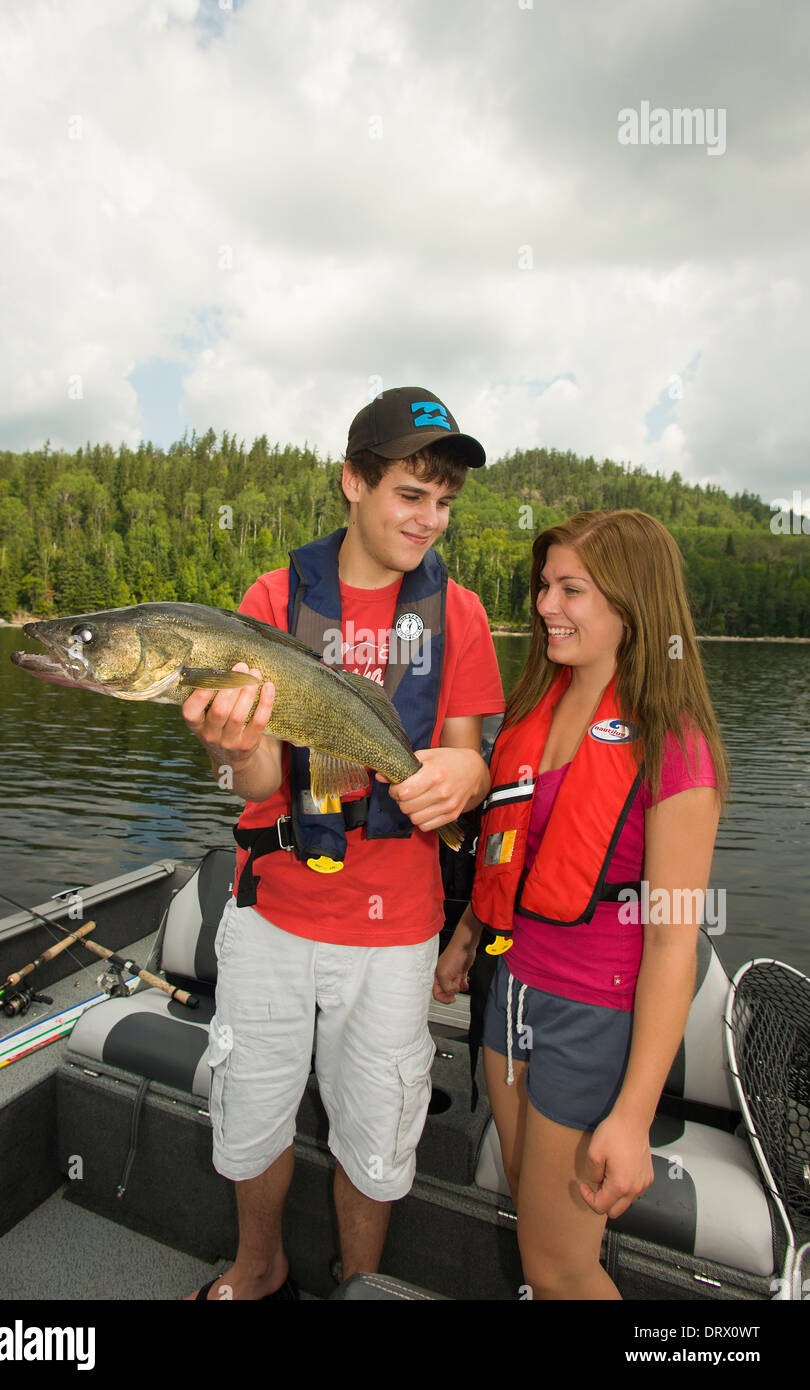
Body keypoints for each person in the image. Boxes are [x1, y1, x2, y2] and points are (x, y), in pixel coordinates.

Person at [182, 387, 505, 1299]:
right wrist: (231, 748)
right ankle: (259, 1266)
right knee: (251, 1109)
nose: (430, 518)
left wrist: (465, 779)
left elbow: (471, 763)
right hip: (275, 916)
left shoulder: (464, 616)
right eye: (412, 493)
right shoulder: (273, 600)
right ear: (354, 482)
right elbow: (249, 788)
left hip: (396, 930)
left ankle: (360, 1281)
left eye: (445, 502)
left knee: (376, 1126)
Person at [435, 508, 728, 1300]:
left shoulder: (675, 745)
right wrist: (467, 931)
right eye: (543, 586)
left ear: (634, 606)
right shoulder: (533, 708)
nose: (543, 605)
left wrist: (631, 1118)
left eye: (571, 589)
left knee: (560, 1267)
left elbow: (673, 948)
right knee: (529, 1187)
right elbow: (511, 852)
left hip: (589, 1018)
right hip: (508, 997)